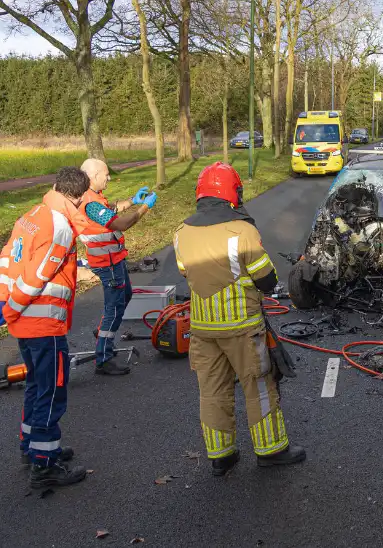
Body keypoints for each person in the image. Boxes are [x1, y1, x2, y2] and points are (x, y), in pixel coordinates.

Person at [174, 162, 305, 476]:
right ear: (234, 193)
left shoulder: (181, 232)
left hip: (203, 328)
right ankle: (271, 449)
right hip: (242, 327)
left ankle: (221, 455)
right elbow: (265, 279)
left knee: (212, 390)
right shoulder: (242, 231)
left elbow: (184, 271)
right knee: (258, 385)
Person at [0, 167, 90, 488]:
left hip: (25, 326)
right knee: (52, 390)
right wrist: (11, 309)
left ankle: (30, 446)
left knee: (35, 385)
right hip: (44, 323)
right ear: (74, 198)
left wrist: (1, 299)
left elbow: (6, 260)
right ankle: (45, 465)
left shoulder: (31, 215)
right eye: (80, 203)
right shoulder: (60, 227)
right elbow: (36, 277)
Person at [76, 159, 156, 375]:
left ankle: (104, 330)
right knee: (114, 307)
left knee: (125, 296)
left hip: (114, 259)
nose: (109, 177)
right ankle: (104, 356)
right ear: (93, 177)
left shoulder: (94, 197)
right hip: (107, 263)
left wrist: (132, 200)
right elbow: (121, 224)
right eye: (105, 174)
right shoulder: (90, 203)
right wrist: (144, 208)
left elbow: (111, 209)